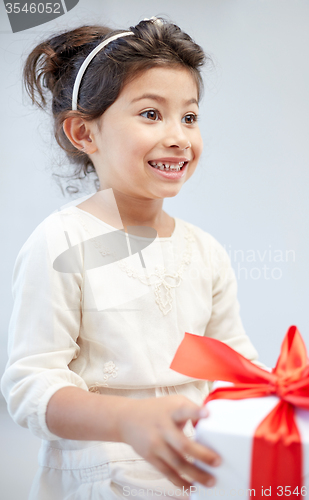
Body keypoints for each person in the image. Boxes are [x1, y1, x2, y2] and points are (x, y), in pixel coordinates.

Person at [1, 16, 261, 499]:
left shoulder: (205, 252)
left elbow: (236, 366)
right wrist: (127, 421)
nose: (179, 136)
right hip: (92, 484)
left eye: (189, 116)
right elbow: (30, 387)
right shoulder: (60, 242)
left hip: (179, 485)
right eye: (150, 114)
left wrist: (289, 398)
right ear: (84, 133)